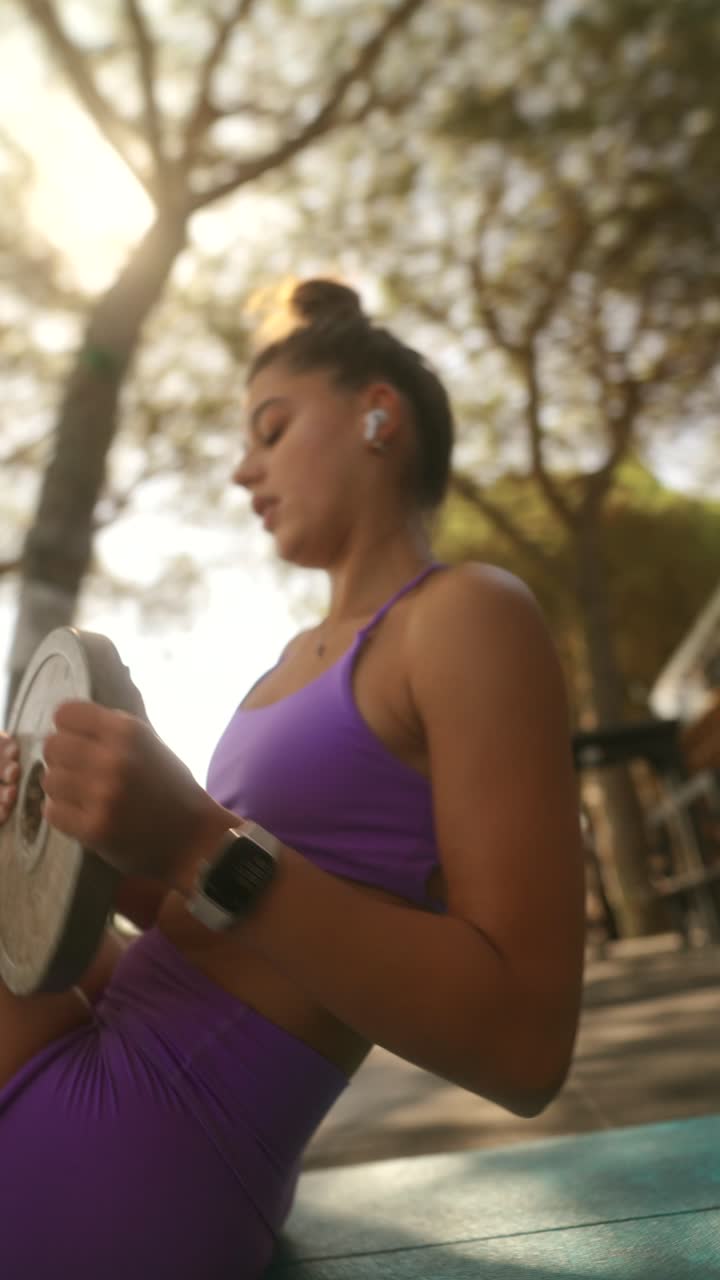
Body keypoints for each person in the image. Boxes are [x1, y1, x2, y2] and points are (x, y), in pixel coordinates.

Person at [0, 279, 585, 1278]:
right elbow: (208, 931)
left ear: (378, 413)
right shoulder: (286, 666)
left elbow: (527, 1044)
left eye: (270, 430)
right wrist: (83, 826)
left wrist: (192, 839)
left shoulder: (467, 614)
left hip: (144, 1150)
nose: (242, 469)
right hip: (96, 1080)